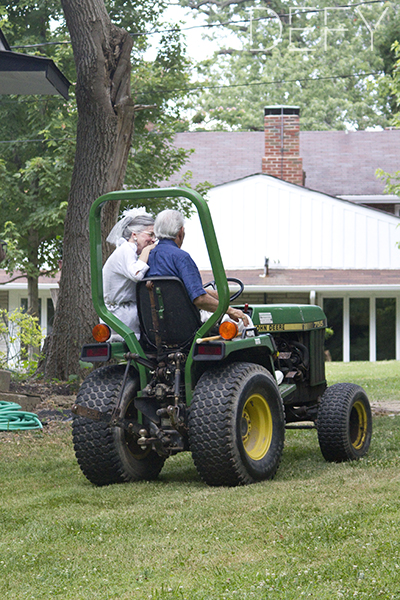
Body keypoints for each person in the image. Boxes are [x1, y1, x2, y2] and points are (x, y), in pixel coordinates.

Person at [147, 209, 251, 329]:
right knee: (244, 321)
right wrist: (231, 311)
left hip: (155, 327)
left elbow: (176, 290)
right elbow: (199, 299)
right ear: (180, 232)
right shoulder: (181, 257)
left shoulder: (147, 257)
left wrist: (209, 293)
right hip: (185, 326)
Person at [103, 208, 157, 338]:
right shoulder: (126, 250)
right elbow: (136, 274)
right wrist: (147, 250)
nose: (154, 240)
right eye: (150, 234)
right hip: (120, 316)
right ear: (134, 235)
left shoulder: (131, 252)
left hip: (128, 312)